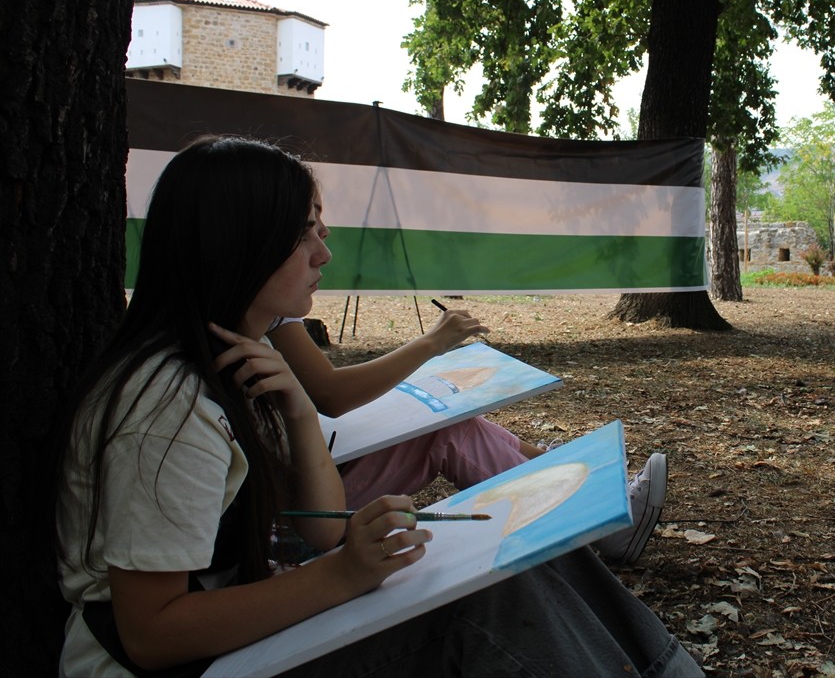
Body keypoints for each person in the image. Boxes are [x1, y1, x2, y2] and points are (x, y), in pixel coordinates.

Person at [55, 136, 702, 677]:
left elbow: (325, 529)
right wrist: (342, 577)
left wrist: (303, 418)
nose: (323, 254)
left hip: (239, 633)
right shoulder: (166, 408)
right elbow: (150, 634)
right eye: (303, 235)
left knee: (524, 553)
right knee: (491, 603)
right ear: (240, 246)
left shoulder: (237, 361)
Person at [268, 296, 666, 566]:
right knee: (446, 433)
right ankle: (596, 521)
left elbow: (321, 398)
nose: (324, 247)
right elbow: (330, 394)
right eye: (306, 232)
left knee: (450, 425)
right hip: (289, 522)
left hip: (305, 487)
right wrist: (431, 342)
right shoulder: (261, 310)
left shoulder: (258, 310)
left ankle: (566, 474)